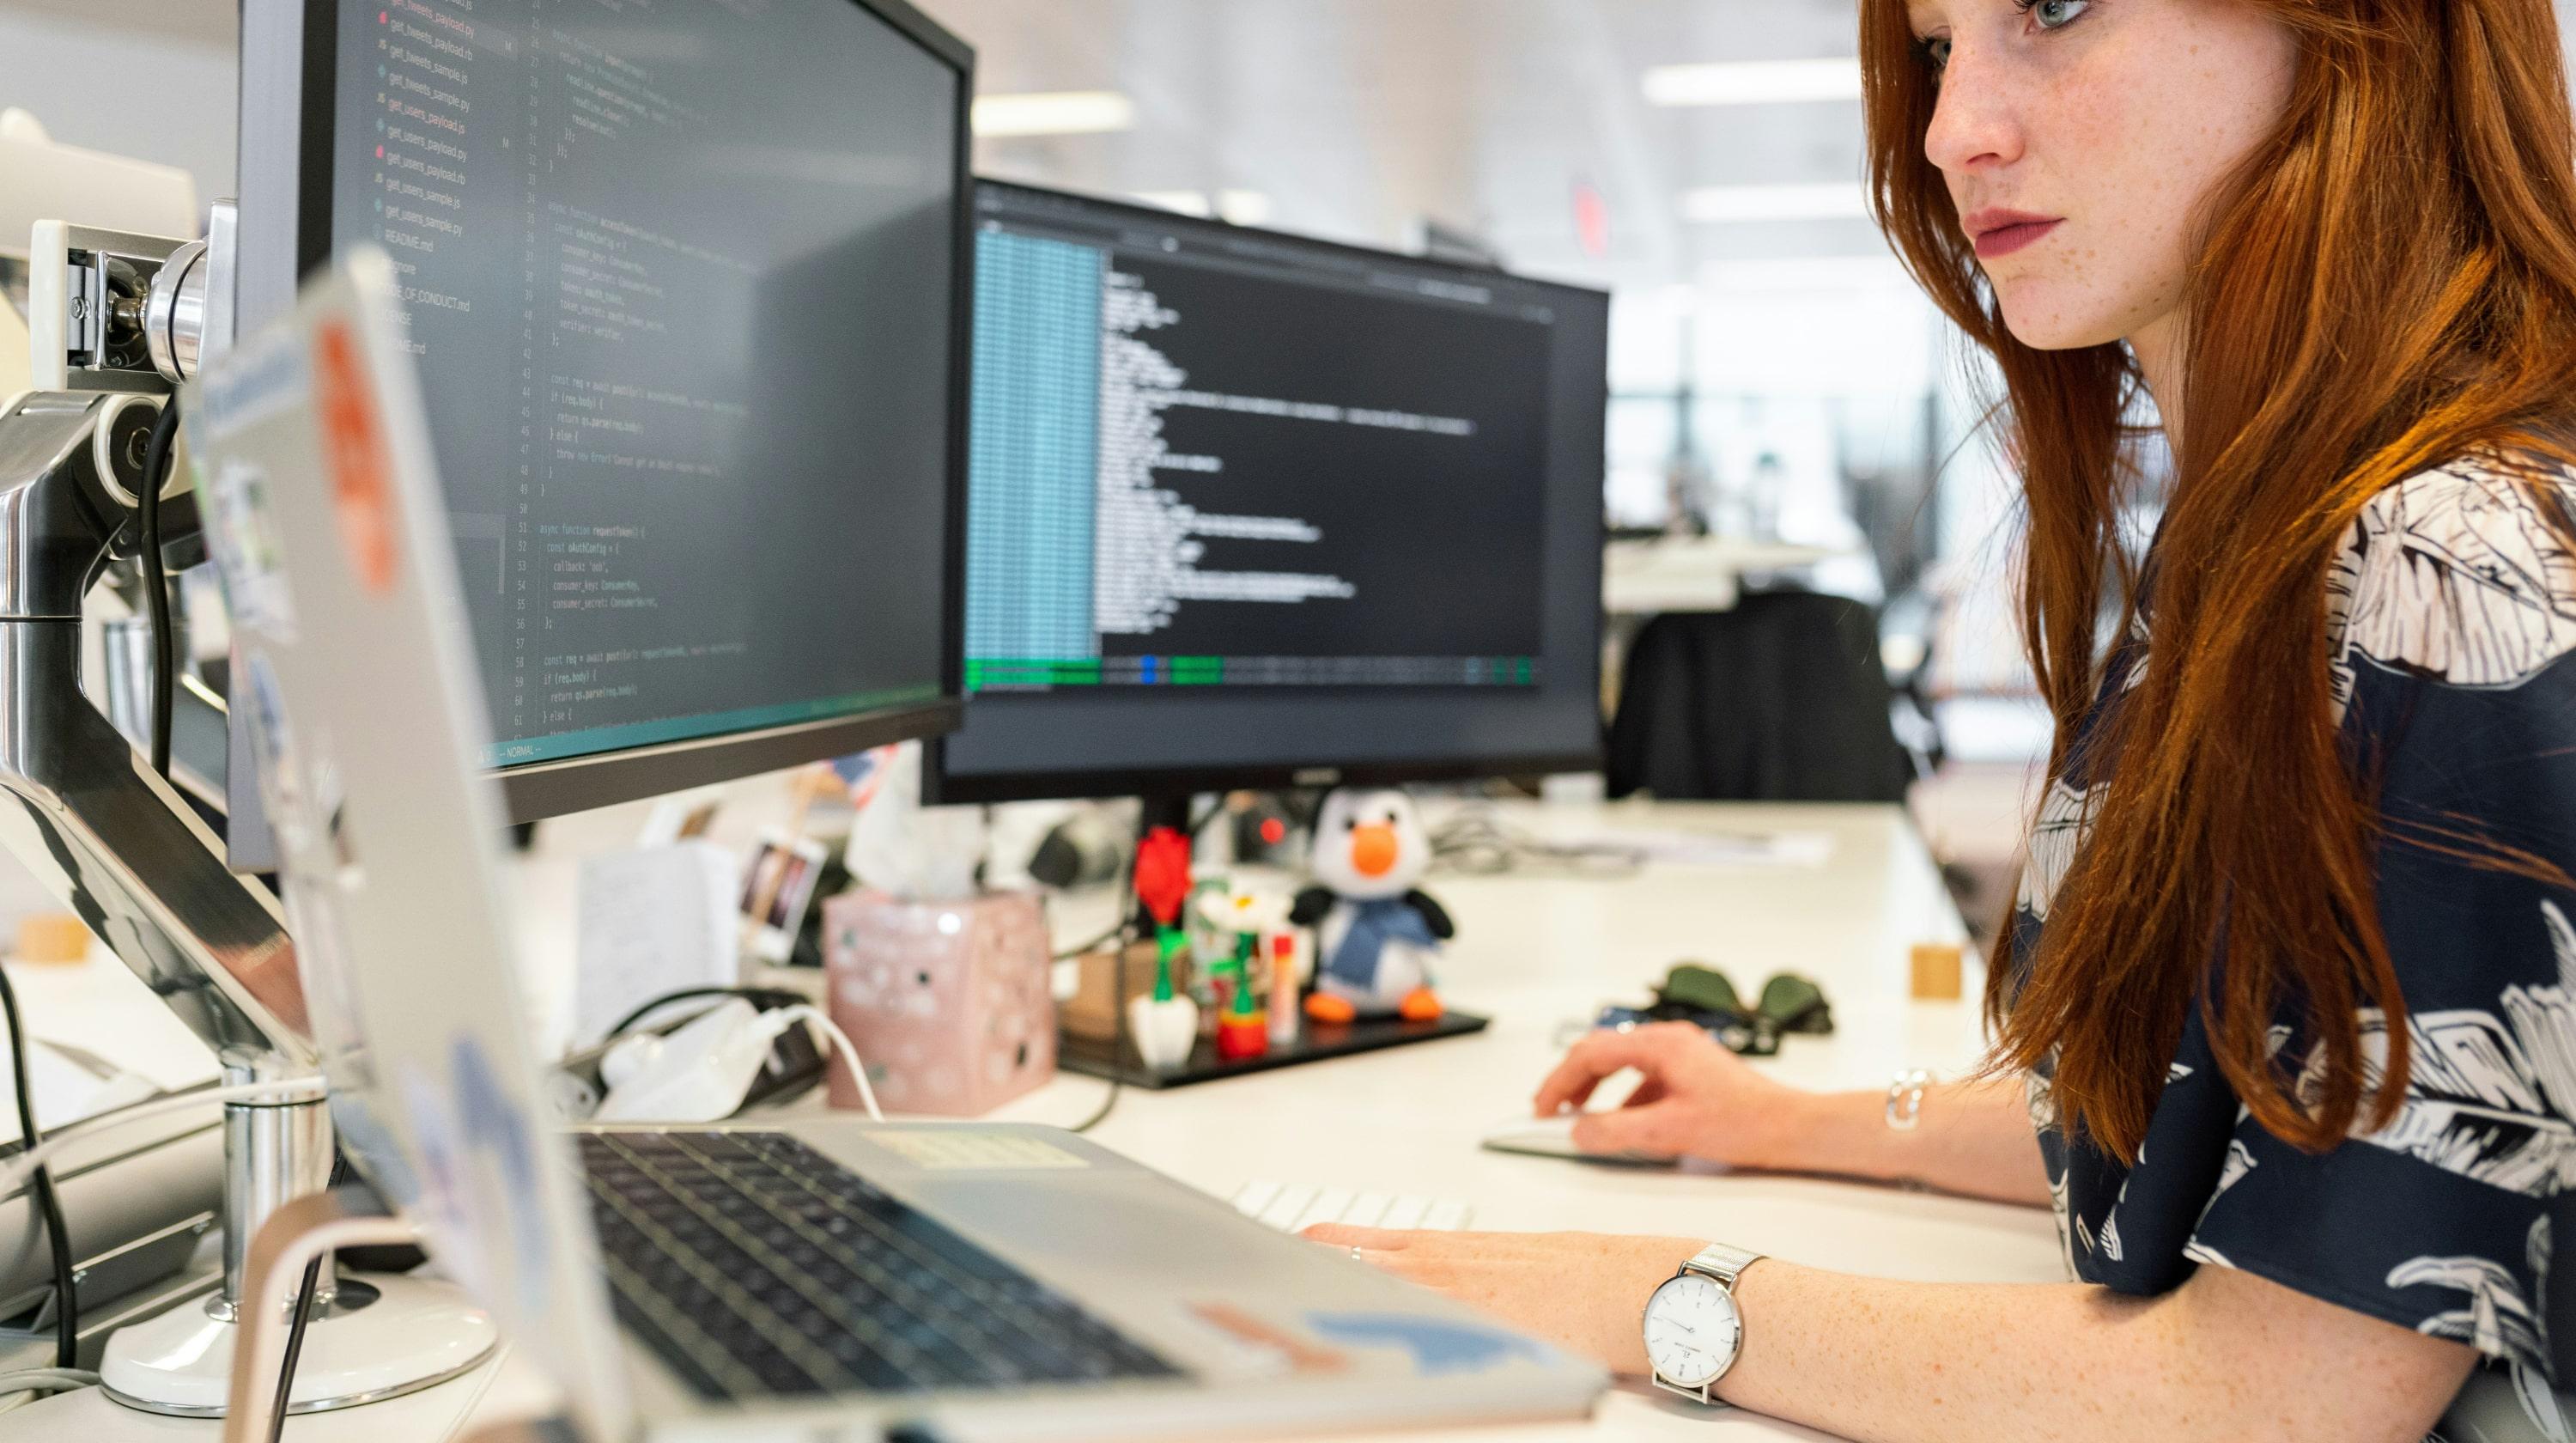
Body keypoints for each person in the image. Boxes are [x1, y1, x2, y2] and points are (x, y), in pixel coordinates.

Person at [1307, 2, 2576, 1438]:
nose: (1948, 129)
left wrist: (1643, 1297)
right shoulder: (2270, 540)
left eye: (2054, 4)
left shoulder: (2457, 564)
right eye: (1934, 46)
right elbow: (2210, 1115)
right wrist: (1776, 1124)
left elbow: (2277, 1396)